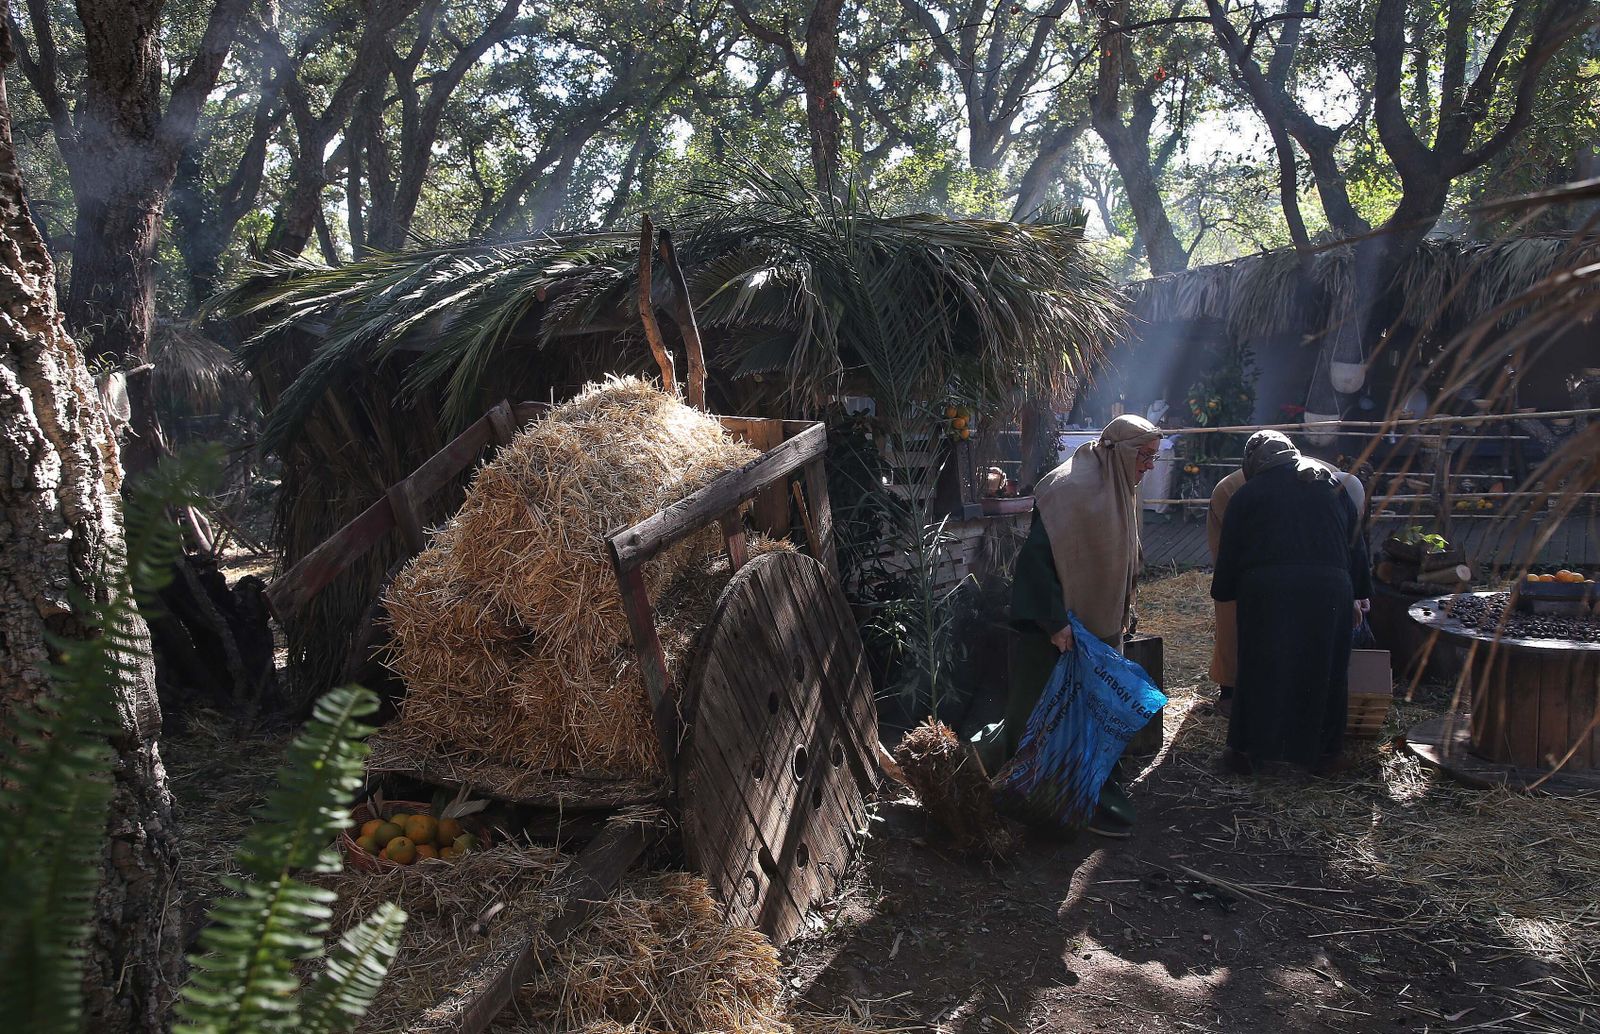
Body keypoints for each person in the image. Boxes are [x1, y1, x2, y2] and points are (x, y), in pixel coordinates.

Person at [1004, 414, 1162, 837]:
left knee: (1090, 715)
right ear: (1121, 451)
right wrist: (1054, 622)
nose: (1150, 466)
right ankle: (1033, 796)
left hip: (1100, 630)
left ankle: (1083, 790)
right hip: (1060, 635)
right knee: (1045, 714)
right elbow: (1037, 563)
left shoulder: (1118, 484)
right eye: (1144, 456)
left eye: (1154, 457)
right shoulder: (1067, 490)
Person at [1210, 431, 1373, 775]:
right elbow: (1355, 543)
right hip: (1329, 589)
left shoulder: (1246, 494)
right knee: (1327, 670)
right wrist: (1359, 592)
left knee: (1258, 669)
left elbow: (1229, 556)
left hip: (1268, 592)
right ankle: (1327, 756)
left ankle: (1243, 752)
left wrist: (1225, 592)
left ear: (1253, 462)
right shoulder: (1330, 484)